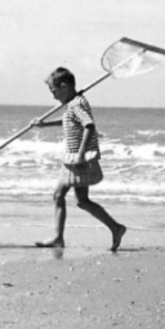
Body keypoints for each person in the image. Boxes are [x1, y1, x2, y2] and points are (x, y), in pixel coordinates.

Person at [31, 67, 127, 251]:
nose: (53, 97)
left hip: (77, 159)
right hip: (72, 159)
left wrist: (81, 154)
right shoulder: (74, 103)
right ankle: (114, 228)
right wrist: (43, 124)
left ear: (64, 86)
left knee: (66, 197)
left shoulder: (77, 103)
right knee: (75, 199)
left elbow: (89, 126)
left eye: (54, 91)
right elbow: (68, 120)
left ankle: (113, 228)